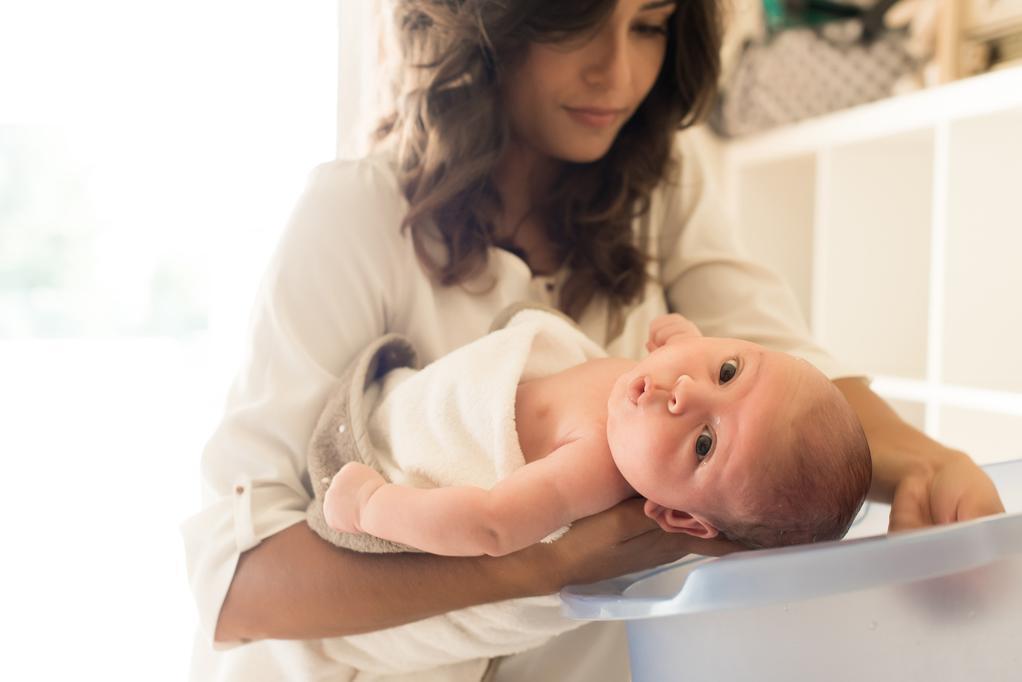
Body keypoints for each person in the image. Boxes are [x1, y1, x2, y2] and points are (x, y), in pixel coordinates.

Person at [181, 1, 1005, 680]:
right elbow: (238, 590)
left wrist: (933, 469)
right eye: (576, 22)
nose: (618, 73)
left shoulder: (663, 189)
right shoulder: (356, 219)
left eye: (649, 24)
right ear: (490, 22)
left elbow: (789, 374)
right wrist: (546, 567)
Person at [322, 310, 871, 555]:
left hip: (377, 446)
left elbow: (490, 527)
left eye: (705, 443)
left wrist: (372, 505)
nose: (686, 390)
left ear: (677, 516)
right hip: (410, 382)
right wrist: (688, 340)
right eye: (727, 371)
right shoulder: (654, 398)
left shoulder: (590, 469)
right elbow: (696, 377)